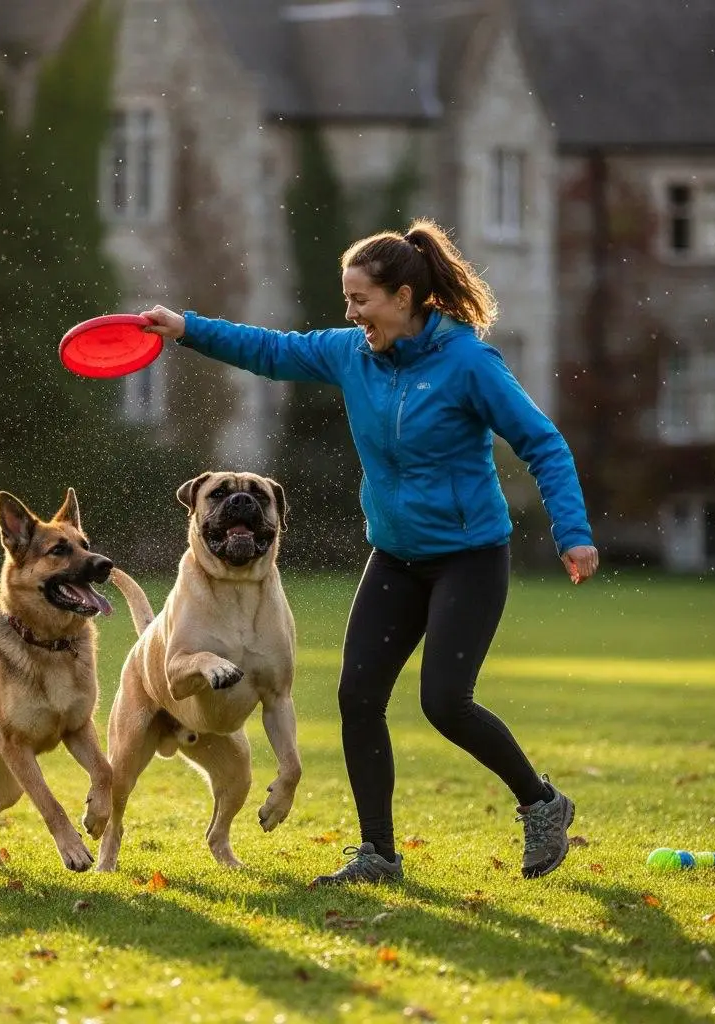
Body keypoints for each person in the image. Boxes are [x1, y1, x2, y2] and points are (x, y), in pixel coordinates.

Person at [139, 217, 599, 885]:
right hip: (395, 557)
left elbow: (542, 442)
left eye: (361, 300)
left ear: (403, 298)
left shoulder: (469, 364)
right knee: (357, 696)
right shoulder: (351, 354)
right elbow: (271, 350)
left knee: (445, 702)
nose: (352, 314)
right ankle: (378, 854)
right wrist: (186, 328)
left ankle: (541, 802)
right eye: (347, 300)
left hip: (468, 558)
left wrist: (573, 531)